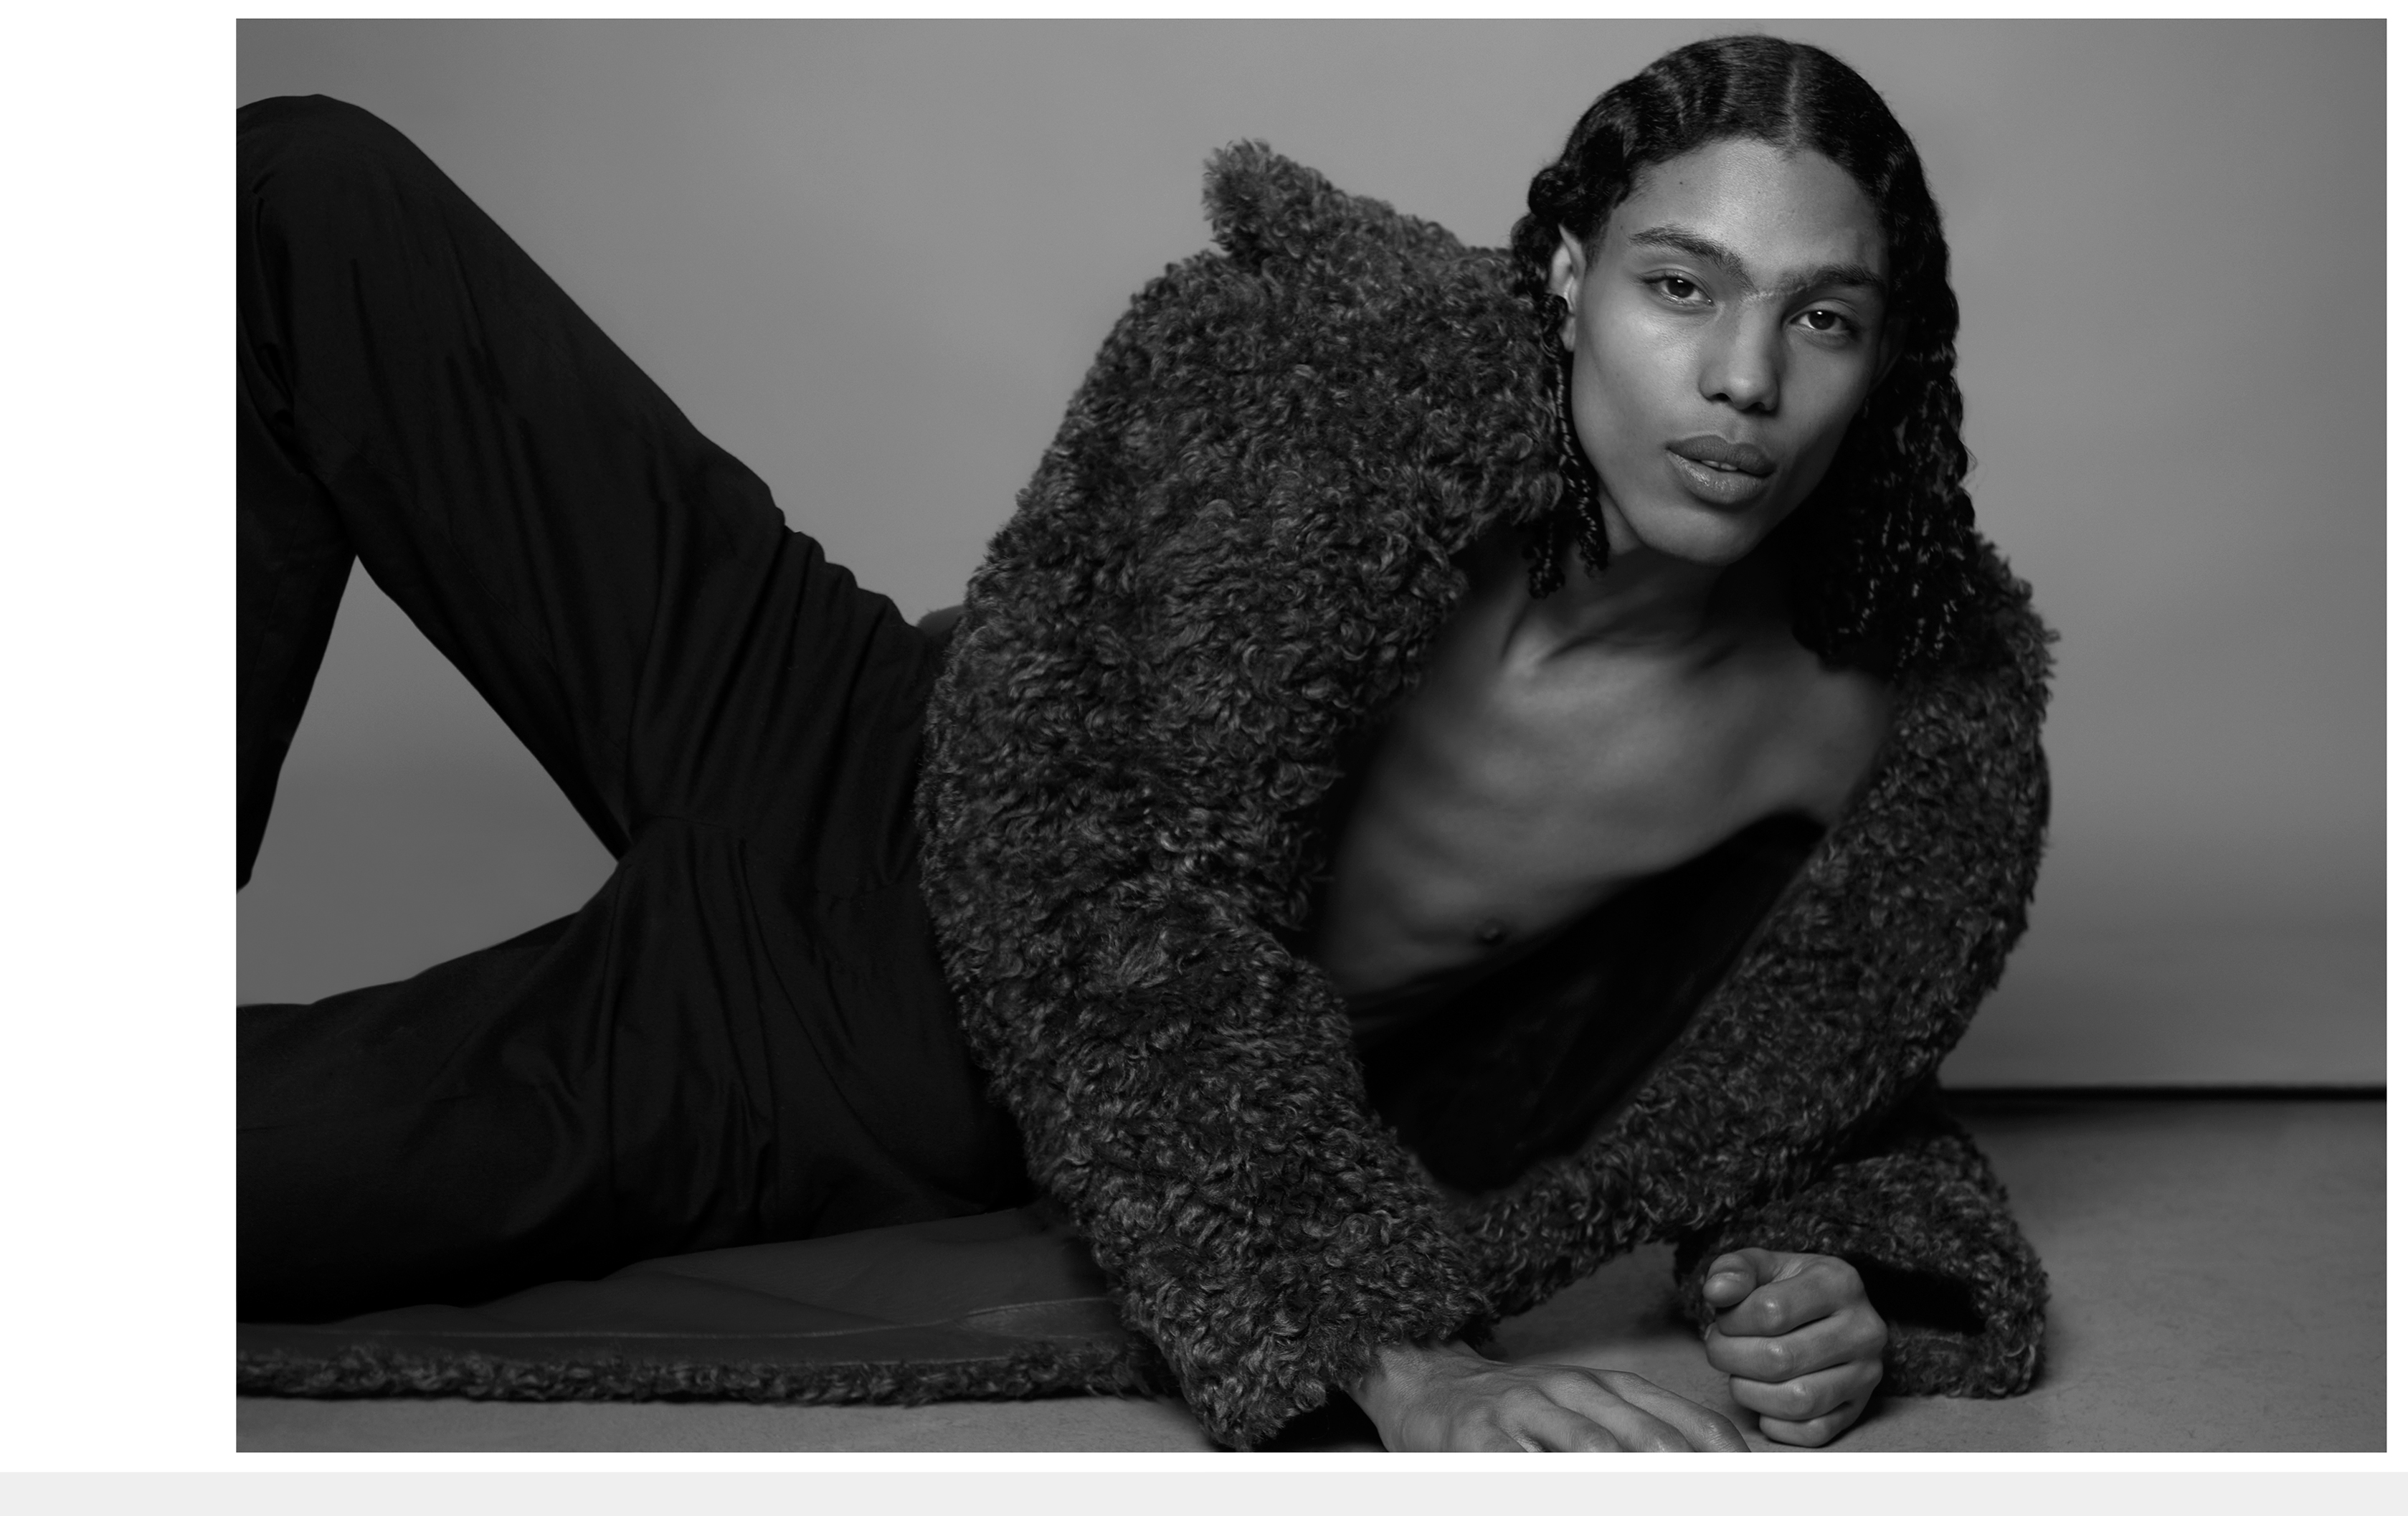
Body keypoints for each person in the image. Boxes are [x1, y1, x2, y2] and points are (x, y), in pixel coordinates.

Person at [239, 34, 2052, 1453]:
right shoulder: (1325, 384)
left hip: (876, 1031)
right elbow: (1091, 845)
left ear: (1881, 362)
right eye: (1681, 287)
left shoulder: (1883, 724)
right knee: (300, 193)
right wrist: (1389, 1349)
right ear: (1568, 273)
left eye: (1818, 318)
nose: (1742, 379)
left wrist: (1830, 1260)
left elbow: (1807, 1049)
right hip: (853, 713)